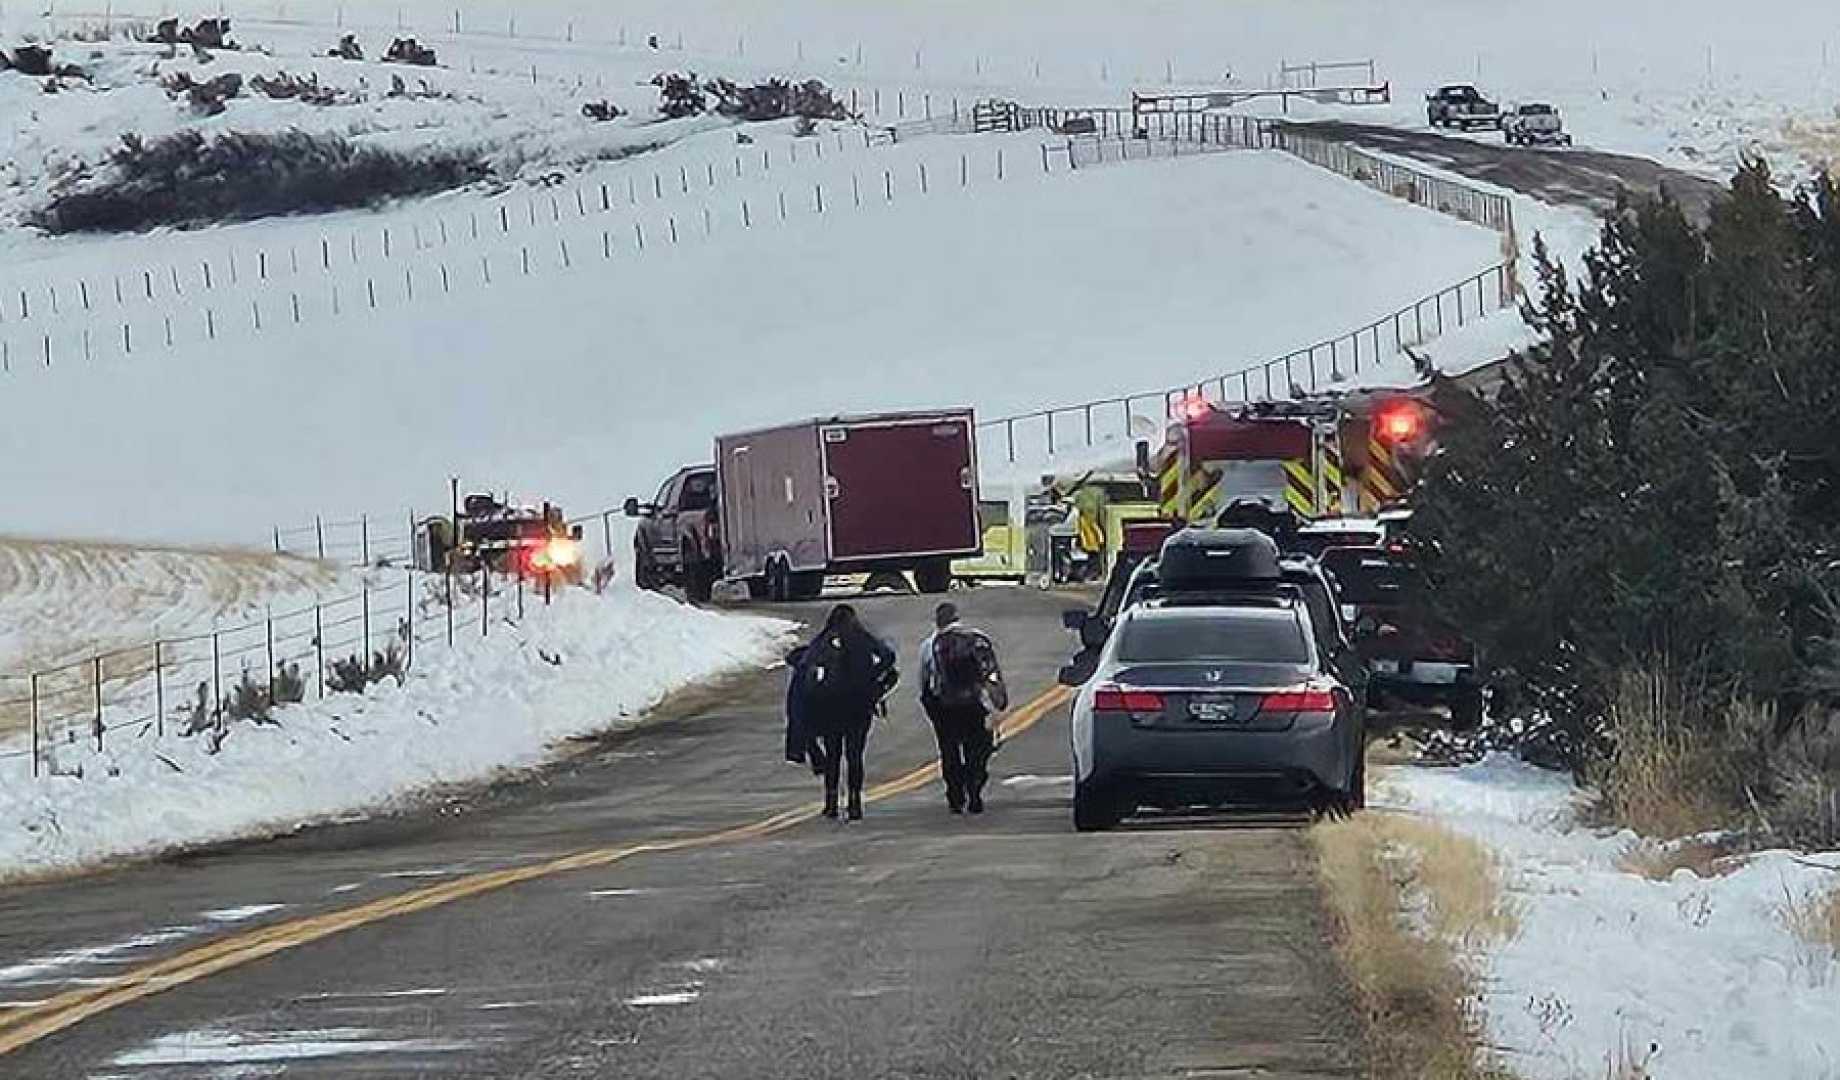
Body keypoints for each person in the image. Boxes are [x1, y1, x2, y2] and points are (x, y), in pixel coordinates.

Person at [793, 604, 897, 821]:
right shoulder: (861, 638)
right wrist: (871, 677)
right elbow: (888, 656)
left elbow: (804, 663)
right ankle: (854, 802)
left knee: (833, 755)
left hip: (829, 707)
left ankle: (831, 803)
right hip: (859, 705)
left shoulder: (823, 640)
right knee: (855, 755)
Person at [918, 602, 1009, 814]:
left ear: (937, 621)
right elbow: (991, 672)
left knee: (949, 751)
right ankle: (974, 790)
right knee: (976, 749)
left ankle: (955, 797)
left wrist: (930, 707)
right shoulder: (977, 639)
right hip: (973, 704)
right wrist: (997, 701)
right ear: (957, 618)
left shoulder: (929, 645)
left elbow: (924, 682)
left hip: (945, 706)